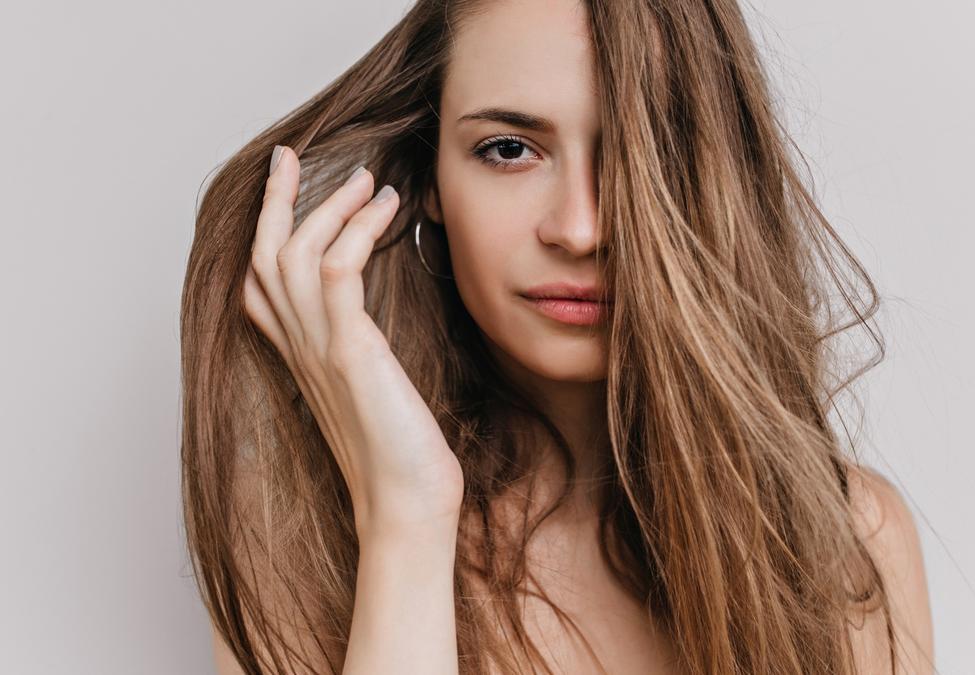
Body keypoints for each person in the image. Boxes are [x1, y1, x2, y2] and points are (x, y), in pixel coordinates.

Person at [179, 0, 935, 673]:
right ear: (429, 179)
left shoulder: (847, 539)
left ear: (717, 180)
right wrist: (406, 520)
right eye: (509, 148)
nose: (580, 228)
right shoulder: (300, 543)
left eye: (645, 151)